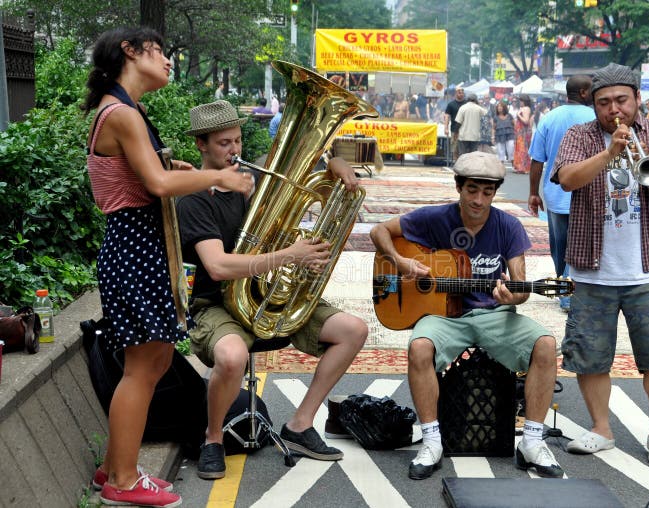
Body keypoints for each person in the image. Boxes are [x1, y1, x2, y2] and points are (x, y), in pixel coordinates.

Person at [83, 27, 254, 508]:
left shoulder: (127, 111)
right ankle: (121, 479)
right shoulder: (121, 113)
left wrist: (182, 168)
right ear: (130, 53)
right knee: (142, 367)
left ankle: (119, 465)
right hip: (134, 250)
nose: (168, 60)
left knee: (153, 362)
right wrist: (217, 175)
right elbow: (156, 184)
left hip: (141, 250)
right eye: (159, 51)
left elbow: (150, 174)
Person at [176, 101, 369, 479]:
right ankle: (213, 438)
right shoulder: (194, 199)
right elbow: (217, 265)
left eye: (237, 142)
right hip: (216, 302)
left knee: (353, 331)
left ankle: (299, 424)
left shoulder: (250, 180)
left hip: (264, 296)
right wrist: (289, 255)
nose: (234, 151)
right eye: (222, 144)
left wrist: (335, 165)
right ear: (200, 145)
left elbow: (313, 171)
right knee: (232, 357)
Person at [369, 151, 564, 480]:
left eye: (487, 192)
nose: (478, 200)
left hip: (493, 314)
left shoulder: (508, 226)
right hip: (444, 317)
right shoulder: (434, 218)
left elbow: (520, 285)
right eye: (472, 190)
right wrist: (400, 262)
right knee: (419, 348)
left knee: (545, 344)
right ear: (458, 186)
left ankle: (531, 441)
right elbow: (379, 232)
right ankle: (432, 440)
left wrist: (514, 293)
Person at [552, 63, 649, 467]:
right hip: (591, 267)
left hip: (648, 266)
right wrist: (609, 152)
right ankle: (601, 428)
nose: (614, 109)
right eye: (604, 102)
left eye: (621, 100)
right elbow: (568, 179)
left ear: (636, 100)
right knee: (589, 355)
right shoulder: (579, 135)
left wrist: (642, 161)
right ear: (592, 104)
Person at [527, 75, 595, 312]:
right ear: (584, 92)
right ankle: (568, 294)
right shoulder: (595, 118)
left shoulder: (549, 118)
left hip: (555, 194)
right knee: (578, 246)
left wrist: (533, 193)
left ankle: (563, 288)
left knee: (559, 246)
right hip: (587, 194)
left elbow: (537, 160)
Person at [444, 87, 467, 160]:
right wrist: (446, 128)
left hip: (465, 130)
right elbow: (447, 116)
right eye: (459, 92)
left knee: (464, 149)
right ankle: (456, 164)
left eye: (462, 93)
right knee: (455, 149)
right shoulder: (451, 104)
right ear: (456, 93)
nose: (461, 94)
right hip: (454, 129)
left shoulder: (466, 104)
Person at [512, 95, 533, 174]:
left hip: (523, 132)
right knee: (520, 148)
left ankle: (522, 167)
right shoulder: (524, 108)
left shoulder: (526, 109)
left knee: (522, 149)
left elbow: (526, 121)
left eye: (521, 101)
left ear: (524, 101)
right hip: (520, 131)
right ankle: (521, 167)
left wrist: (519, 115)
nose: (520, 102)